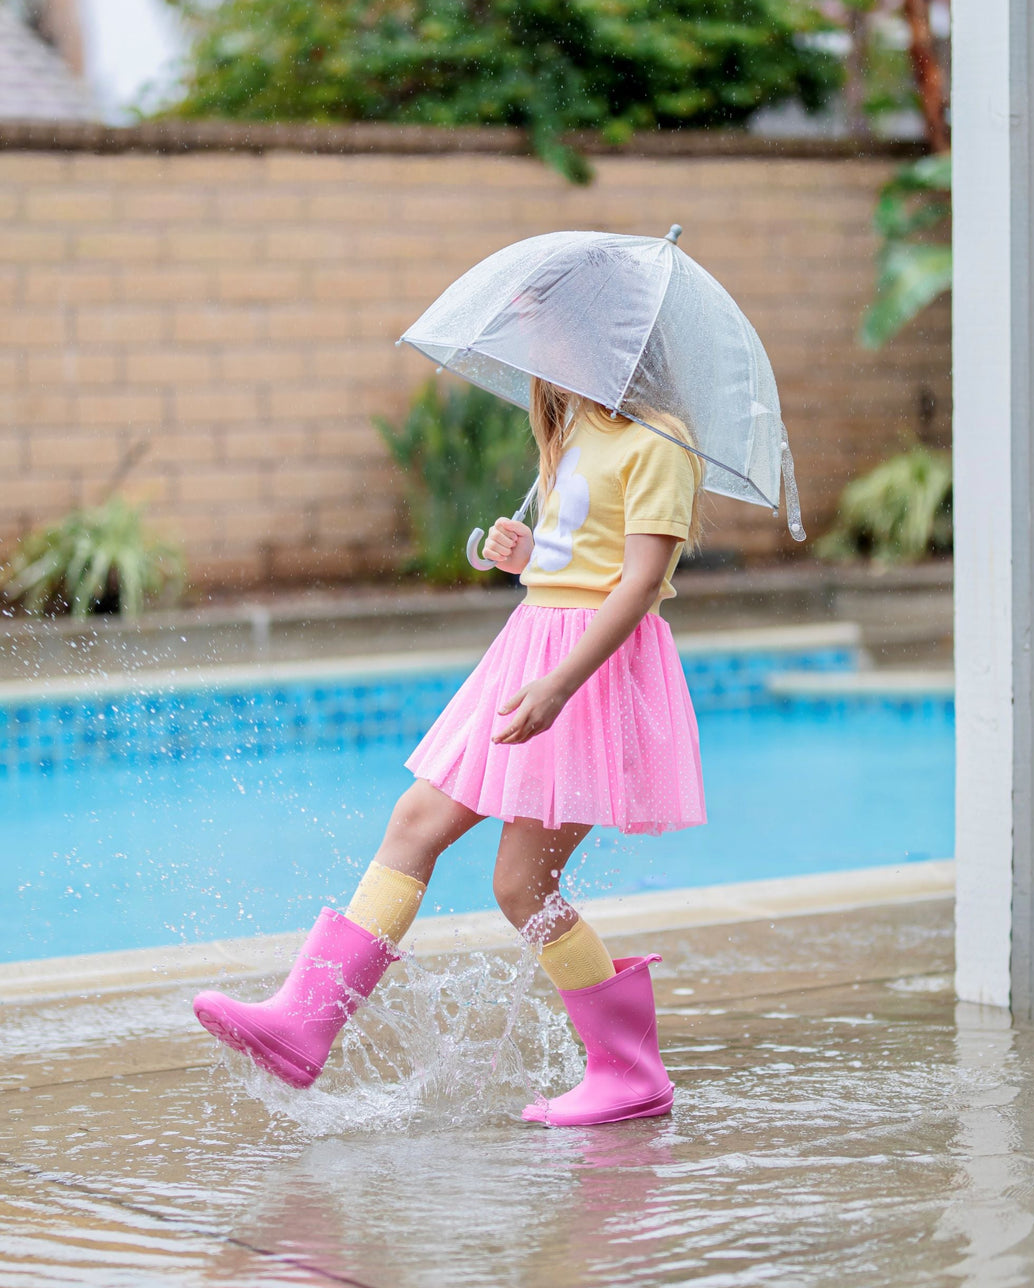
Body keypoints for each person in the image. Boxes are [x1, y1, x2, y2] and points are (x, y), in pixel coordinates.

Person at [193, 377, 707, 1127]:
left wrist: (560, 686)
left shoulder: (656, 443)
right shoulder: (575, 432)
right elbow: (582, 560)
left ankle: (629, 1071)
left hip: (586, 677)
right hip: (531, 651)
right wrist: (531, 553)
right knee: (415, 821)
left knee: (522, 887)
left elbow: (638, 585)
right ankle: (306, 1020)